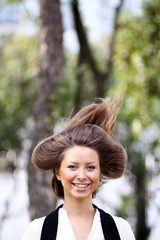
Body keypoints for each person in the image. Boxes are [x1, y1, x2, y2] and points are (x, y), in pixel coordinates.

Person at [21, 97, 136, 240]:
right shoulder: (38, 231)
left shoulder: (119, 229)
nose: (81, 175)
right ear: (58, 172)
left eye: (90, 167)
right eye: (72, 167)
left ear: (100, 171)